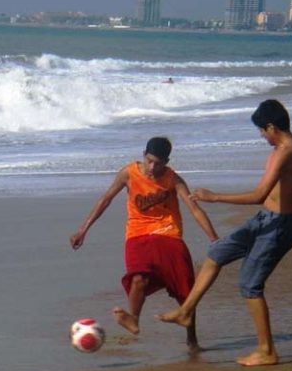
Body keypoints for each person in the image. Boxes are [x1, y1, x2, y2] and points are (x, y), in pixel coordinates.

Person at [160, 99, 292, 366]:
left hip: (279, 227)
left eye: (262, 131)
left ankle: (267, 351)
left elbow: (258, 195)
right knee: (217, 251)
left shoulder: (285, 150)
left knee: (250, 285)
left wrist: (214, 197)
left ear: (271, 127)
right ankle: (185, 312)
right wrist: (284, 194)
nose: (262, 136)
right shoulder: (290, 144)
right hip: (265, 220)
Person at [70, 137, 218, 350]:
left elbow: (194, 209)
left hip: (168, 234)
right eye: (149, 161)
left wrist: (214, 238)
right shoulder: (128, 173)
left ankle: (192, 340)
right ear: (143, 155)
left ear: (167, 161)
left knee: (185, 291)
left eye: (158, 163)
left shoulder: (173, 179)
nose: (152, 167)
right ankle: (134, 320)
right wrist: (83, 230)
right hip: (137, 234)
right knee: (138, 278)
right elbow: (105, 199)